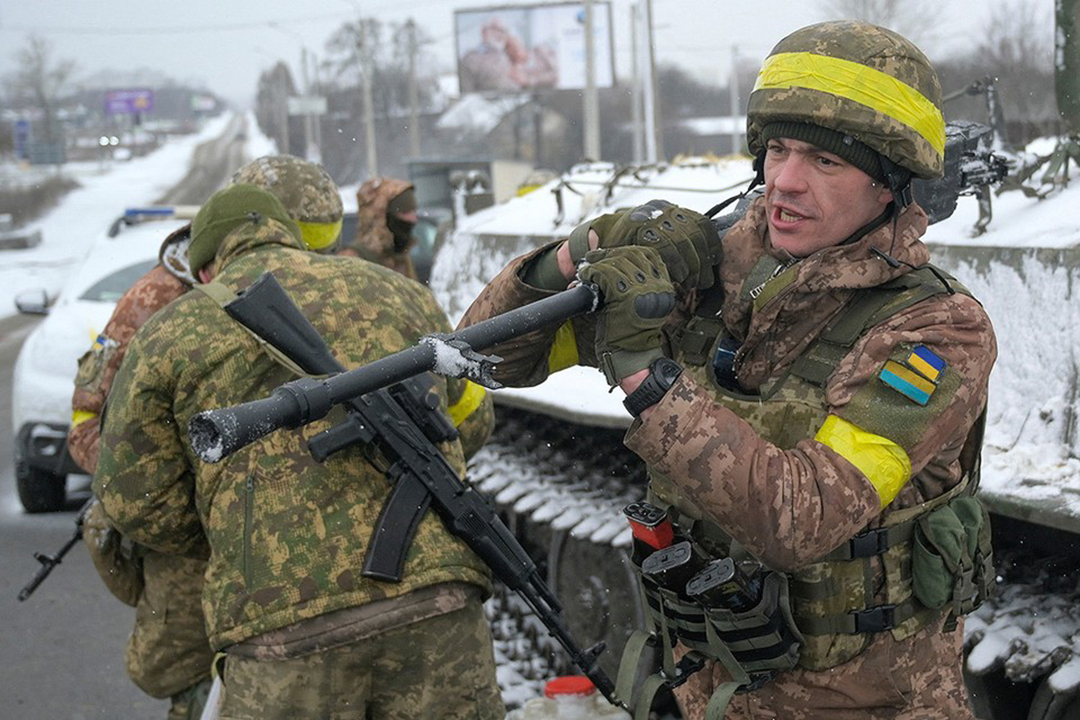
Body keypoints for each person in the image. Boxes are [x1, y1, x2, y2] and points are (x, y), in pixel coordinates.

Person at [458, 20, 994, 720]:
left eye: (826, 163)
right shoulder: (713, 277)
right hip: (706, 692)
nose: (786, 182)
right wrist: (580, 250)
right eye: (777, 150)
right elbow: (486, 354)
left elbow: (803, 519)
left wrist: (646, 378)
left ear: (890, 186)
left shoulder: (934, 330)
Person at [92, 183, 503, 720]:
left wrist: (235, 529)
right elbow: (469, 423)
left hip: (280, 627)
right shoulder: (402, 292)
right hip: (437, 602)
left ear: (208, 268)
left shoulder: (169, 332)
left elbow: (131, 496)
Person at [70, 155, 344, 720]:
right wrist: (200, 509)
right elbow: (89, 426)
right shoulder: (156, 301)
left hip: (298, 529)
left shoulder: (327, 285)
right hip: (197, 536)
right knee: (190, 672)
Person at [338, 177, 421, 281]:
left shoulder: (401, 258)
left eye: (413, 211)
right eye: (405, 213)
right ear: (382, 219)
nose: (413, 219)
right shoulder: (351, 260)